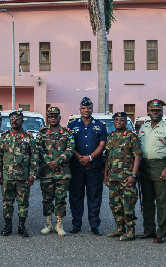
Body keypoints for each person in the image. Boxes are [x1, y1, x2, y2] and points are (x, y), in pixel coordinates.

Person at [137, 99, 166, 243]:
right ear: (149, 111)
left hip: (160, 166)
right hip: (145, 166)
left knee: (162, 200)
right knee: (147, 201)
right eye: (152, 110)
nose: (155, 113)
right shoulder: (143, 127)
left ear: (162, 112)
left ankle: (162, 232)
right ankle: (149, 230)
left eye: (158, 110)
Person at [0, 110, 40, 237]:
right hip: (7, 176)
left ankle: (21, 226)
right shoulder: (5, 137)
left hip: (23, 177)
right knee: (7, 202)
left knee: (23, 202)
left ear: (22, 121)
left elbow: (34, 157)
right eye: (12, 118)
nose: (14, 120)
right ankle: (8, 226)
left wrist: (32, 174)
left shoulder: (29, 137)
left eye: (17, 118)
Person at [67, 97, 108, 235]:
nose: (86, 110)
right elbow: (69, 145)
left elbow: (102, 145)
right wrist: (79, 158)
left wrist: (90, 158)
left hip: (94, 166)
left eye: (88, 108)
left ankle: (95, 225)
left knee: (94, 196)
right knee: (76, 196)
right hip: (76, 166)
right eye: (84, 108)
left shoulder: (100, 125)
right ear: (80, 109)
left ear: (92, 109)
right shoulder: (72, 126)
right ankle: (76, 224)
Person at [104, 112, 141, 241]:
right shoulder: (111, 136)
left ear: (126, 122)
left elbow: (137, 156)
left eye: (121, 120)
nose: (118, 122)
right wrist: (106, 175)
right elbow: (108, 157)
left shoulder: (131, 136)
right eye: (116, 120)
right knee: (115, 204)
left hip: (127, 177)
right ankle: (120, 228)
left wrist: (134, 175)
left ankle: (130, 230)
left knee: (128, 204)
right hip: (113, 177)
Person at [38, 106, 74, 236]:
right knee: (47, 198)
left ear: (60, 117)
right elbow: (38, 148)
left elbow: (70, 149)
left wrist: (57, 161)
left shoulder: (67, 133)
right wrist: (49, 161)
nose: (53, 118)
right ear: (48, 117)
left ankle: (60, 225)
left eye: (55, 116)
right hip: (46, 171)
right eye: (50, 116)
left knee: (61, 198)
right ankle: (48, 224)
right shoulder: (42, 133)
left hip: (62, 172)